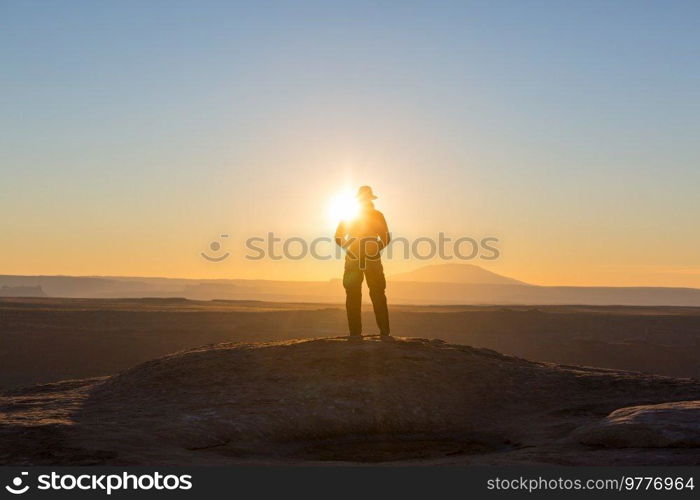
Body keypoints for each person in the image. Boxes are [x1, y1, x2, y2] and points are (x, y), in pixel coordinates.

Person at [334, 186, 391, 341]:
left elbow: (338, 237)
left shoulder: (349, 215)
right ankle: (383, 333)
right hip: (369, 259)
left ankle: (356, 334)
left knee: (355, 294)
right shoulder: (377, 215)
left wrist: (350, 248)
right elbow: (386, 238)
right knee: (377, 293)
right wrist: (375, 248)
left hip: (355, 258)